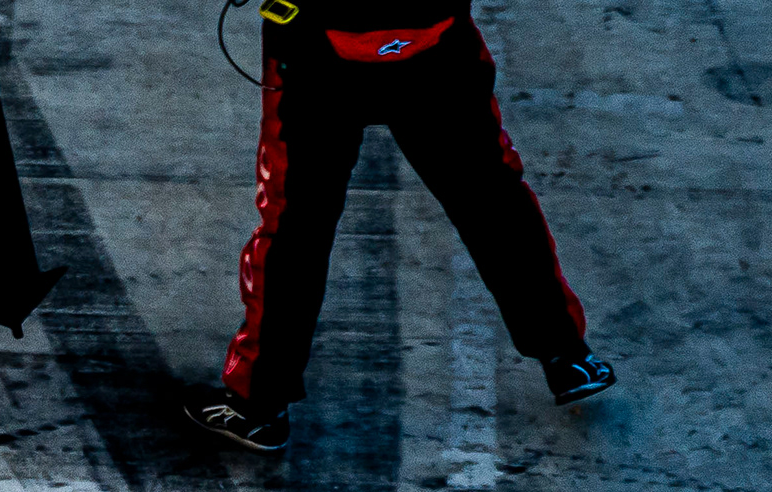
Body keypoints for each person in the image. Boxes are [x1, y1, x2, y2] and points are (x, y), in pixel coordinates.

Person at [182, 0, 609, 453]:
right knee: (492, 201)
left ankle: (260, 404)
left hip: (319, 56)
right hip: (434, 45)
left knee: (296, 226)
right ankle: (566, 356)